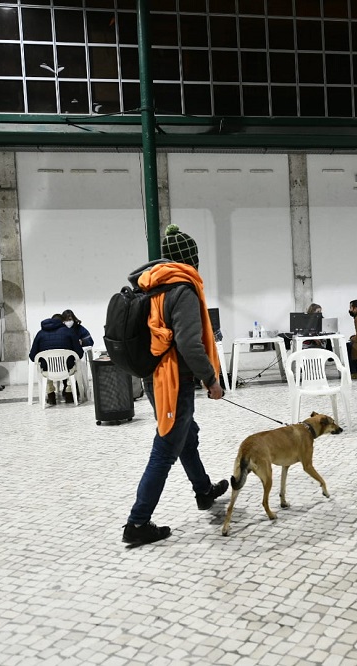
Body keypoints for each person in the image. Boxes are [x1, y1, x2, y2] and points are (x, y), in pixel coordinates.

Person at [122, 224, 229, 548]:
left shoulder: (151, 284)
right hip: (173, 382)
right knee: (166, 448)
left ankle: (204, 491)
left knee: (187, 436)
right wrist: (211, 379)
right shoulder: (182, 289)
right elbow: (189, 344)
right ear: (191, 259)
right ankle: (137, 523)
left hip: (154, 376)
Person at [28, 314, 83, 405]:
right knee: (73, 368)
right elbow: (79, 354)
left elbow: (32, 356)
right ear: (62, 322)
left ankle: (51, 395)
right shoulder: (69, 332)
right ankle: (69, 393)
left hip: (47, 371)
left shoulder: (40, 334)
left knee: (45, 368)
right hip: (67, 370)